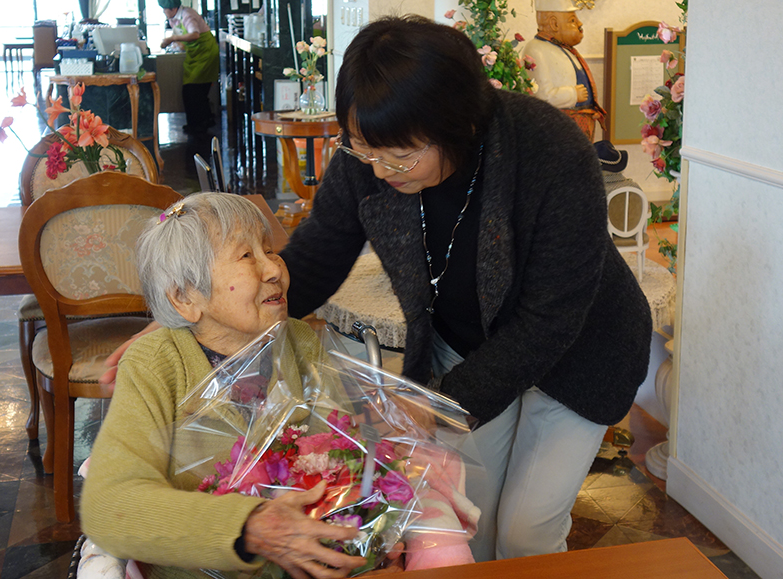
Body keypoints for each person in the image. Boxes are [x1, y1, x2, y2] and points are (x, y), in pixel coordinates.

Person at [100, 15, 652, 564]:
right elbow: (316, 256)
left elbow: (550, 319)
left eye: (401, 155)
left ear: (458, 128)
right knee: (469, 519)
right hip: (472, 346)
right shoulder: (371, 152)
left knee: (528, 532)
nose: (381, 169)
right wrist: (190, 318)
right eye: (365, 149)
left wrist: (443, 404)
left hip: (580, 349)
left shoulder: (549, 151)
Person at [81, 193, 369, 579]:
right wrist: (248, 526)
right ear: (185, 298)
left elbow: (343, 453)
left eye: (269, 249)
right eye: (247, 256)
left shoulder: (299, 341)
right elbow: (108, 505)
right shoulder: (157, 364)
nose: (274, 269)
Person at [522, 0, 605, 141]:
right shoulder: (535, 50)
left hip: (581, 129)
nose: (580, 24)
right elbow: (541, 96)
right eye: (572, 20)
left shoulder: (567, 49)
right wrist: (573, 94)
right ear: (554, 24)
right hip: (558, 130)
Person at [158, 0, 218, 136]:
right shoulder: (175, 18)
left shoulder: (187, 14)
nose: (163, 11)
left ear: (173, 8)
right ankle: (197, 123)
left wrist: (172, 39)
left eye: (165, 9)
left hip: (205, 53)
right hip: (195, 55)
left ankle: (201, 124)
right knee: (193, 90)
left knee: (195, 90)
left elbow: (195, 34)